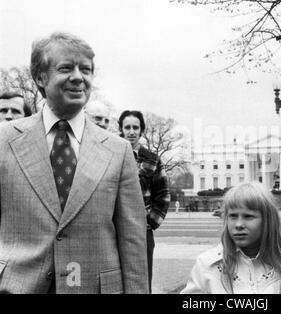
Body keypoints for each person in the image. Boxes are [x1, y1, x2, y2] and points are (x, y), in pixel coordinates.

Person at [0, 32, 149, 293]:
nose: (79, 77)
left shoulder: (118, 150)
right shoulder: (4, 141)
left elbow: (133, 239)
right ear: (40, 78)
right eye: (66, 68)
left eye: (86, 70)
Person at [181, 182, 281, 294]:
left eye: (248, 216)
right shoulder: (206, 264)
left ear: (268, 221)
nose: (239, 224)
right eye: (233, 216)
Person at [118, 110, 170, 293]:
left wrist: (150, 223)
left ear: (141, 131)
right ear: (121, 129)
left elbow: (163, 195)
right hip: (114, 229)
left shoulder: (152, 159)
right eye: (127, 127)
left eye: (135, 127)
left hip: (142, 231)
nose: (131, 131)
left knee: (142, 281)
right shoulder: (111, 153)